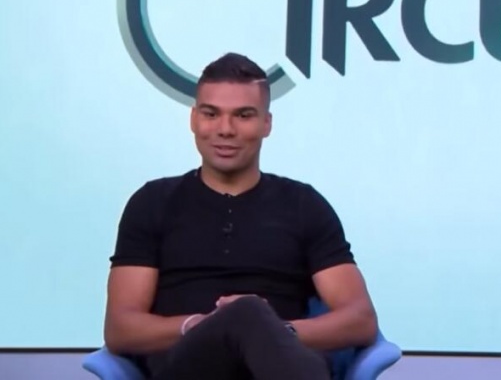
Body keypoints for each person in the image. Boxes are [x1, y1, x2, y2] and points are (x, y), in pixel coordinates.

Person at [103, 53, 378, 380]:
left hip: (280, 367)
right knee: (245, 313)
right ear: (194, 119)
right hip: (188, 367)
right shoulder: (152, 202)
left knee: (248, 315)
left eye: (243, 115)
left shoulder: (304, 204)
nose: (225, 129)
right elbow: (121, 328)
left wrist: (273, 330)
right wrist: (198, 325)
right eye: (211, 114)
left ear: (266, 124)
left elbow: (360, 319)